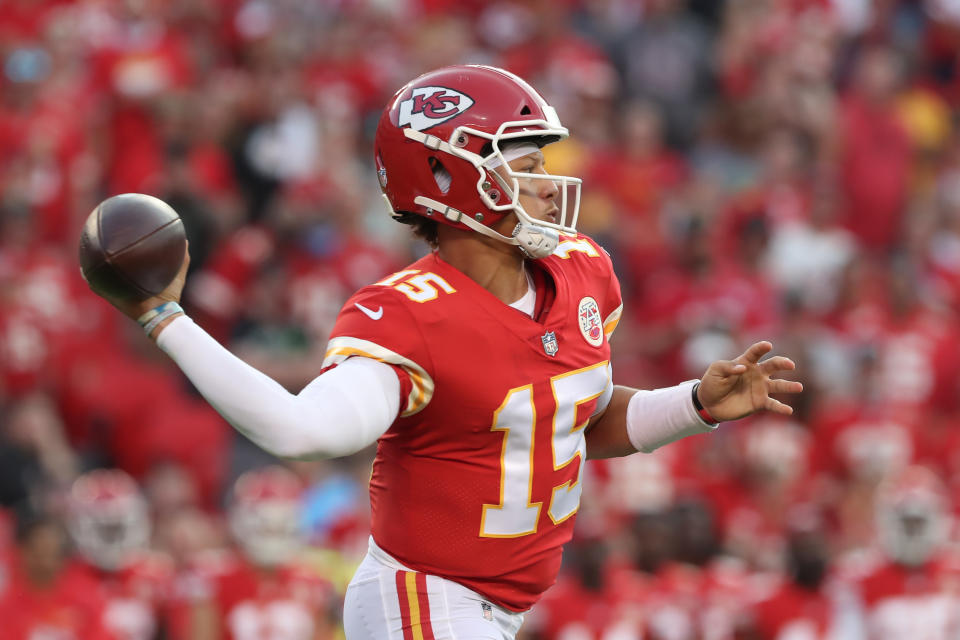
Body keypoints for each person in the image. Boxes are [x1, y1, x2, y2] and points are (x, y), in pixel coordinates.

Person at [88, 65, 802, 638]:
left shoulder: (581, 269)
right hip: (425, 601)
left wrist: (696, 405)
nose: (548, 186)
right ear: (445, 177)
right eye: (523, 162)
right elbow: (301, 431)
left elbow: (565, 424)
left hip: (496, 607)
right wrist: (163, 317)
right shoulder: (409, 315)